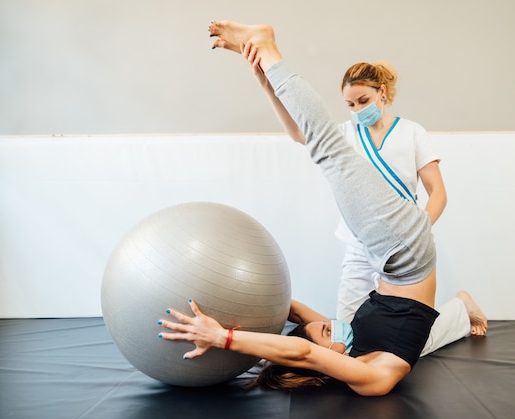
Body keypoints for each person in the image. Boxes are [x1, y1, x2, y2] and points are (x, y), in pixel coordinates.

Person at [158, 20, 485, 397]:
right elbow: (301, 351)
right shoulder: (370, 378)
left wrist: (221, 306)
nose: (331, 326)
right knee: (325, 144)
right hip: (403, 252)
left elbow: (295, 314)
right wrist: (222, 337)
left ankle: (460, 308)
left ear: (381, 94)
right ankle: (269, 49)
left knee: (324, 147)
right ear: (319, 359)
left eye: (326, 328)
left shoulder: (355, 345)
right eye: (326, 333)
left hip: (393, 253)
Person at [230, 39, 483, 353]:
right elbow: (299, 132)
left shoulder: (411, 133)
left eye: (363, 101)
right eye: (350, 105)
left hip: (403, 249)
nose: (357, 110)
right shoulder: (345, 135)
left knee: (408, 342)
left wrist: (420, 229)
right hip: (359, 242)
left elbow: (438, 192)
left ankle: (460, 308)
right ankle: (458, 309)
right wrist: (268, 87)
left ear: (382, 93)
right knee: (348, 338)